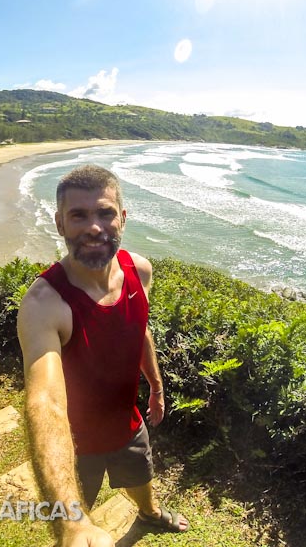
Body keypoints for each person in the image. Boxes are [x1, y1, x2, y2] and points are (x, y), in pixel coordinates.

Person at [18, 164, 189, 546]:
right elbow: (44, 401)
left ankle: (149, 513)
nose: (94, 227)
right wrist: (72, 526)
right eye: (79, 215)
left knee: (142, 478)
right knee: (77, 518)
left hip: (127, 424)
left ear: (122, 218)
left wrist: (156, 386)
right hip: (74, 445)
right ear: (60, 223)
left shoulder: (139, 271)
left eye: (105, 213)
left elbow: (139, 328)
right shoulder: (45, 303)